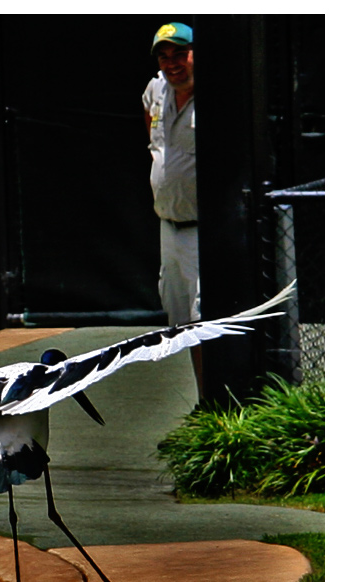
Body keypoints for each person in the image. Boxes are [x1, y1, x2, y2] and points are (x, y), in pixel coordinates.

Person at [142, 22, 203, 396]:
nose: (172, 63)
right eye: (164, 56)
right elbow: (153, 146)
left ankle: (219, 406)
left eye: (180, 53)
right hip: (169, 227)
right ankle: (205, 406)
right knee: (182, 325)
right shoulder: (155, 91)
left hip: (205, 231)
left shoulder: (219, 96)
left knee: (206, 322)